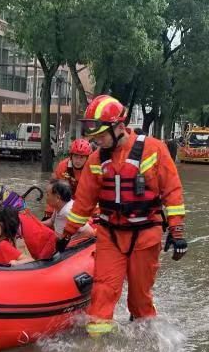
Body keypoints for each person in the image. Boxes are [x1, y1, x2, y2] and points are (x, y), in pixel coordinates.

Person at [56, 94, 187, 337]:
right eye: (94, 137)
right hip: (110, 235)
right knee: (102, 293)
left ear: (118, 127)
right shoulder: (96, 160)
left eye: (101, 136)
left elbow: (172, 192)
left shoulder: (153, 149)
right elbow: (83, 203)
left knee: (140, 298)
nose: (97, 142)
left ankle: (145, 345)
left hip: (145, 234)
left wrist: (177, 231)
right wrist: (66, 235)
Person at [44, 138, 93, 219]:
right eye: (76, 156)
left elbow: (94, 195)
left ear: (87, 158)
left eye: (82, 157)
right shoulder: (62, 166)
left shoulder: (92, 169)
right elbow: (52, 189)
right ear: (71, 156)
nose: (78, 160)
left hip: (83, 202)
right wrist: (49, 212)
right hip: (66, 201)